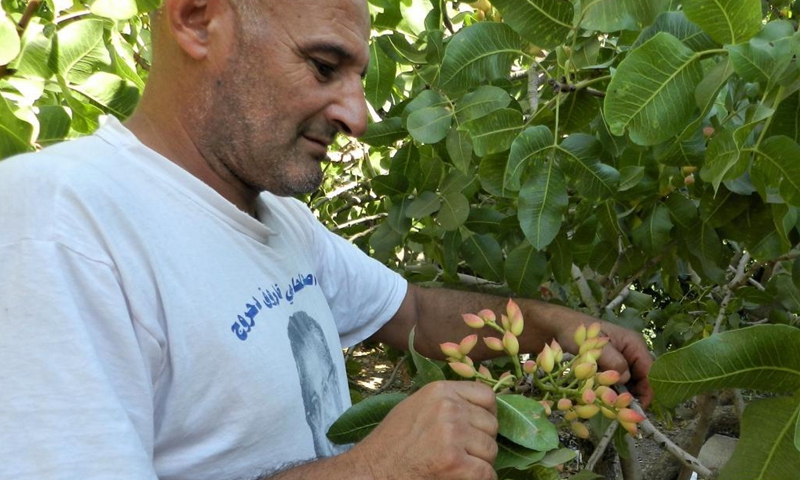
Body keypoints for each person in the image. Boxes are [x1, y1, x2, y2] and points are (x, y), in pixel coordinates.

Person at [0, 0, 652, 478]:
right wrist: (379, 468)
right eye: (323, 65)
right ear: (198, 20)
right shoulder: (57, 218)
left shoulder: (277, 220)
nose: (358, 116)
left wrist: (553, 329)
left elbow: (412, 313)